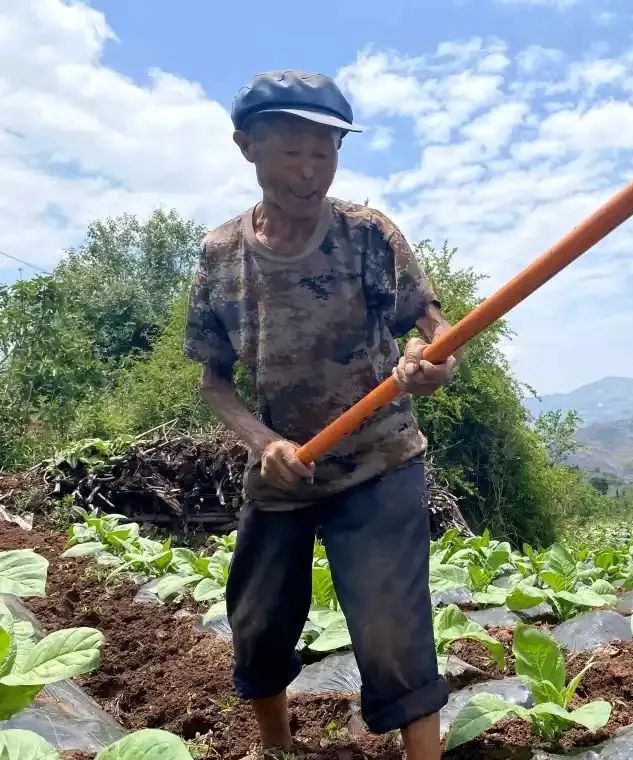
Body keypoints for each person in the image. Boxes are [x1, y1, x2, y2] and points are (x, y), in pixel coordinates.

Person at [184, 70, 457, 759]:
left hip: (379, 458)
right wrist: (262, 440)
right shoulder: (221, 256)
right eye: (292, 154)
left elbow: (429, 323)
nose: (311, 173)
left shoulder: (368, 235)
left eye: (325, 153)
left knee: (393, 630)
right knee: (259, 621)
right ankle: (275, 749)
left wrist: (432, 360)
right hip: (283, 471)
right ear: (247, 148)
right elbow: (214, 381)